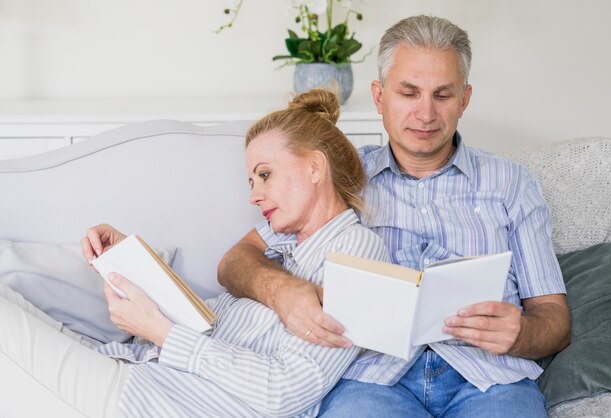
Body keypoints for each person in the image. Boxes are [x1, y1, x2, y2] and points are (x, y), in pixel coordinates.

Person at [217, 15, 571, 417]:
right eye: (408, 93)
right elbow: (235, 261)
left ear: (464, 100)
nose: (425, 113)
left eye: (442, 95)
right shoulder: (343, 178)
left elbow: (554, 317)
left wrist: (523, 333)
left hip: (489, 379)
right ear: (379, 96)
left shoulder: (512, 183)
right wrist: (281, 292)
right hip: (372, 379)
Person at [0, 89, 390, 417]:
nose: (253, 194)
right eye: (252, 180)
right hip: (137, 370)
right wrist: (136, 262)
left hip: (152, 401)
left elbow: (284, 391)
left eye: (265, 174)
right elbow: (210, 323)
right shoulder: (281, 240)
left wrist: (161, 333)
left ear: (315, 167)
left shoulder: (357, 251)